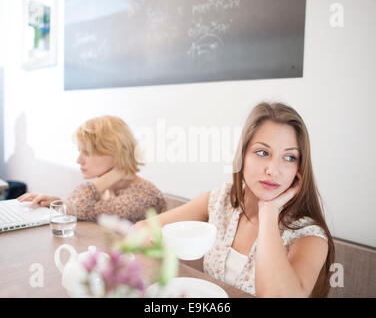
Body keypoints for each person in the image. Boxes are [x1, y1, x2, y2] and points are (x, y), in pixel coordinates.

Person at [134, 101, 335, 298]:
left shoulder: (309, 236)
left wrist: (268, 211)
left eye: (289, 157)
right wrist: (156, 240)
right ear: (242, 156)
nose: (273, 170)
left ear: (299, 169)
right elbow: (142, 228)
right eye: (263, 153)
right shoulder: (222, 200)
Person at [17, 115, 167, 223]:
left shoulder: (143, 197)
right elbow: (84, 209)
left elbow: (78, 207)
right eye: (79, 151)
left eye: (87, 153)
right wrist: (57, 203)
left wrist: (66, 206)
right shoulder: (109, 188)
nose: (79, 160)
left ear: (115, 154)